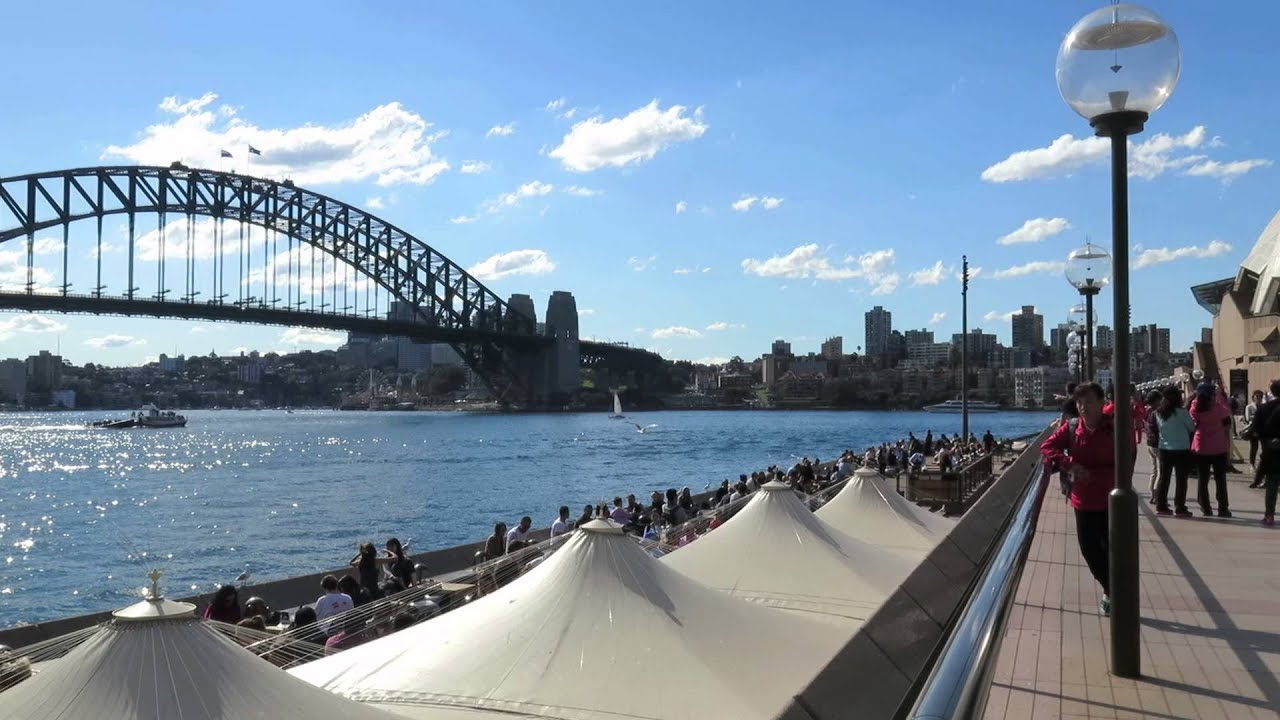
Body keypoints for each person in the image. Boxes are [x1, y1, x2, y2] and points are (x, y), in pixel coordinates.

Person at [1042, 382, 1126, 617]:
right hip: (1084, 500)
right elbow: (1047, 446)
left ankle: (1115, 593)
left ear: (1101, 403)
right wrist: (1070, 464)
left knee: (1112, 549)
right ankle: (1113, 589)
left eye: (1089, 402)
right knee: (1089, 550)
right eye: (1079, 403)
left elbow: (1125, 462)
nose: (1083, 407)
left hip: (1111, 499)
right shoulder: (1072, 428)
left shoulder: (1115, 428)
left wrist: (1095, 475)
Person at [1189, 383, 1232, 518]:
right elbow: (1227, 414)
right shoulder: (1219, 409)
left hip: (1201, 446)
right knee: (1220, 479)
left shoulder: (1196, 409)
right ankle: (1223, 508)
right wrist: (1220, 396)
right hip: (1218, 446)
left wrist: (1197, 398)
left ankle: (1205, 507)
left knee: (1203, 479)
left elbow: (1192, 409)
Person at [1153, 386, 1194, 517]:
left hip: (1164, 449)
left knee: (1164, 478)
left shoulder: (1158, 413)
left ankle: (1161, 505)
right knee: (1181, 480)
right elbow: (1191, 427)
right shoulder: (1182, 412)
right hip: (1182, 449)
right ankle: (1180, 507)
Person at [1250, 379, 1280, 526]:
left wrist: (1266, 439)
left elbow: (1255, 430)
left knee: (1272, 483)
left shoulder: (1263, 409)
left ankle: (1269, 515)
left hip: (1271, 450)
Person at [1245, 390, 1266, 488]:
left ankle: (1262, 465)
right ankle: (1252, 464)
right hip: (1253, 429)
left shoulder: (1264, 406)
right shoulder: (1249, 407)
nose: (1258, 398)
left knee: (1264, 447)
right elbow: (1248, 418)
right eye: (1257, 396)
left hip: (1263, 429)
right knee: (1254, 447)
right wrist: (1257, 417)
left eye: (1260, 396)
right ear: (1253, 397)